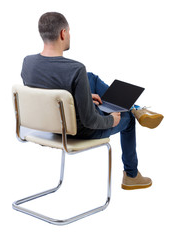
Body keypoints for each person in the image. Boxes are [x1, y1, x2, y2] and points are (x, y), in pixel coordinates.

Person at [21, 12, 163, 190]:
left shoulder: (28, 63)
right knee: (128, 120)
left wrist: (85, 96)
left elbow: (48, 92)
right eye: (69, 32)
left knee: (91, 79)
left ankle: (134, 107)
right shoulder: (75, 69)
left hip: (49, 127)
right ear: (63, 33)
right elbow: (90, 120)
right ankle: (131, 174)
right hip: (79, 130)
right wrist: (112, 119)